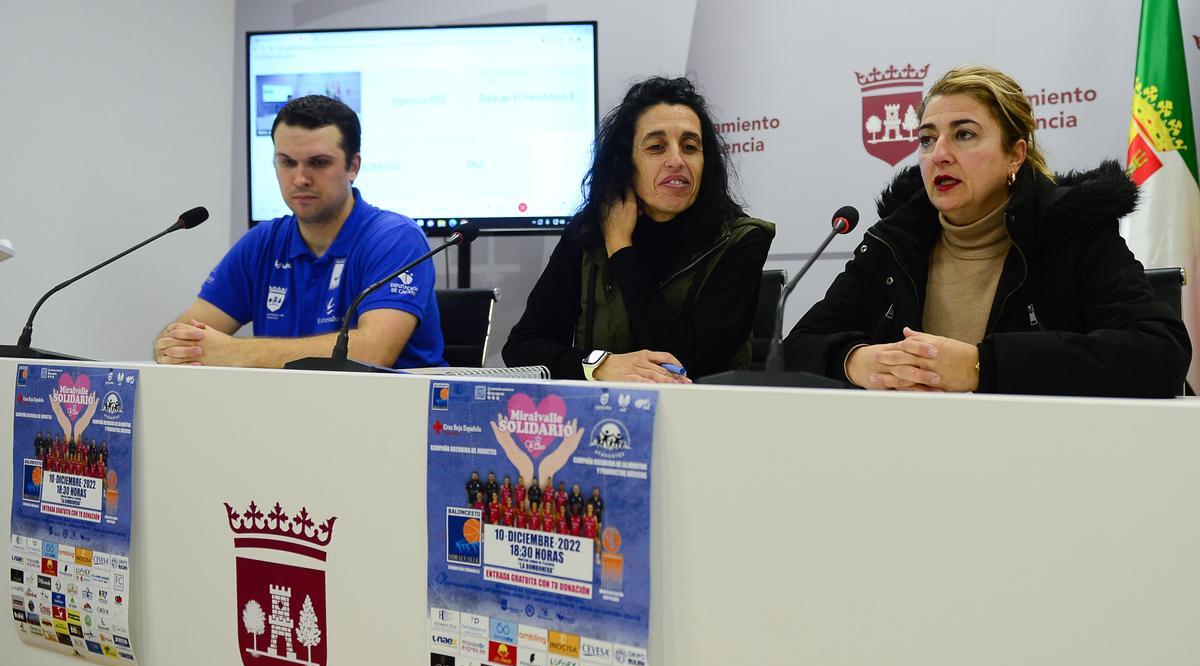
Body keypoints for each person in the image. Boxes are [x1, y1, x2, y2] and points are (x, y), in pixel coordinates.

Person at [784, 65, 1190, 397]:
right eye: (927, 139)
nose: (939, 154)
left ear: (1015, 154)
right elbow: (797, 348)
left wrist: (985, 366)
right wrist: (856, 360)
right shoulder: (894, 243)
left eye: (964, 135)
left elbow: (1159, 354)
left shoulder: (1071, 231)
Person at [502, 76, 775, 382]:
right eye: (657, 147)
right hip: (601, 422)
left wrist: (620, 245)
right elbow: (521, 348)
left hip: (703, 421)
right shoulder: (587, 233)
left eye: (690, 147)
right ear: (625, 162)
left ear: (705, 162)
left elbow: (687, 362)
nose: (677, 160)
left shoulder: (739, 240)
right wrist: (599, 365)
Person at [153, 95, 444, 369]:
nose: (301, 178)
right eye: (287, 162)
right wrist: (174, 347)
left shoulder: (394, 238)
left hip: (388, 415)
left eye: (318, 163)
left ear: (353, 166)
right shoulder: (262, 243)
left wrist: (232, 351)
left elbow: (373, 352)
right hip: (284, 413)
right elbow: (178, 337)